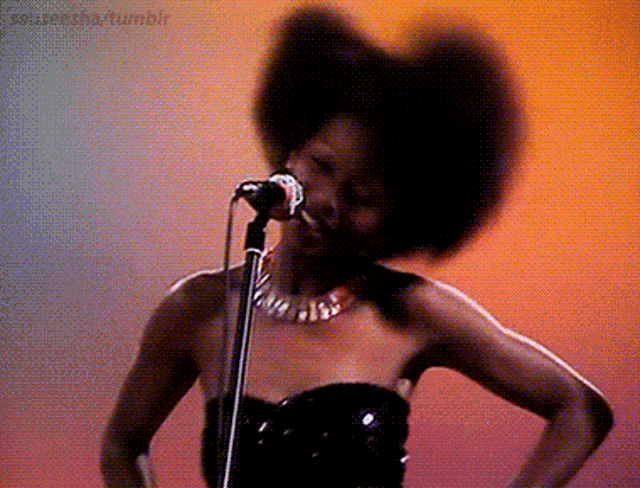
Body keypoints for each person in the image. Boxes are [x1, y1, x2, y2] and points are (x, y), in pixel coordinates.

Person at [100, 7, 613, 488]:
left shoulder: (409, 311)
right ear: (292, 154)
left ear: (397, 218)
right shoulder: (200, 308)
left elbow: (580, 410)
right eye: (321, 165)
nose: (329, 201)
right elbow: (122, 443)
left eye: (362, 197)